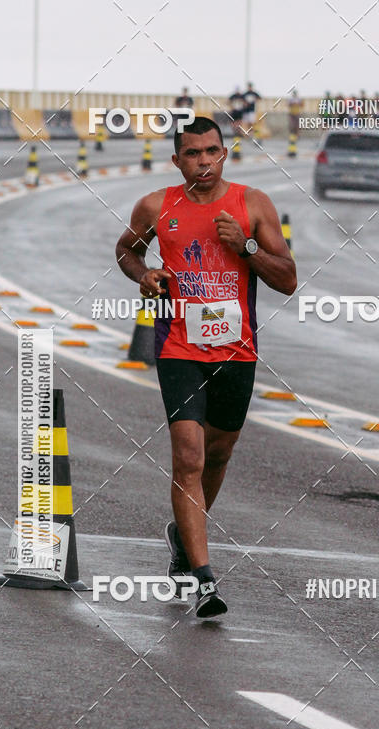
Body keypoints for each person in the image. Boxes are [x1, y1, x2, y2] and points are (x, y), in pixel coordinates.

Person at [115, 117, 297, 618]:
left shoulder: (253, 205)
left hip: (236, 351)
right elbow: (127, 249)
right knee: (189, 457)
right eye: (193, 154)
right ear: (178, 161)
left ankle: (181, 534)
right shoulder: (156, 206)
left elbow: (288, 280)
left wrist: (248, 247)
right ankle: (203, 578)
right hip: (178, 345)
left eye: (212, 151)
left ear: (225, 154)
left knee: (217, 454)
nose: (204, 162)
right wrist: (144, 273)